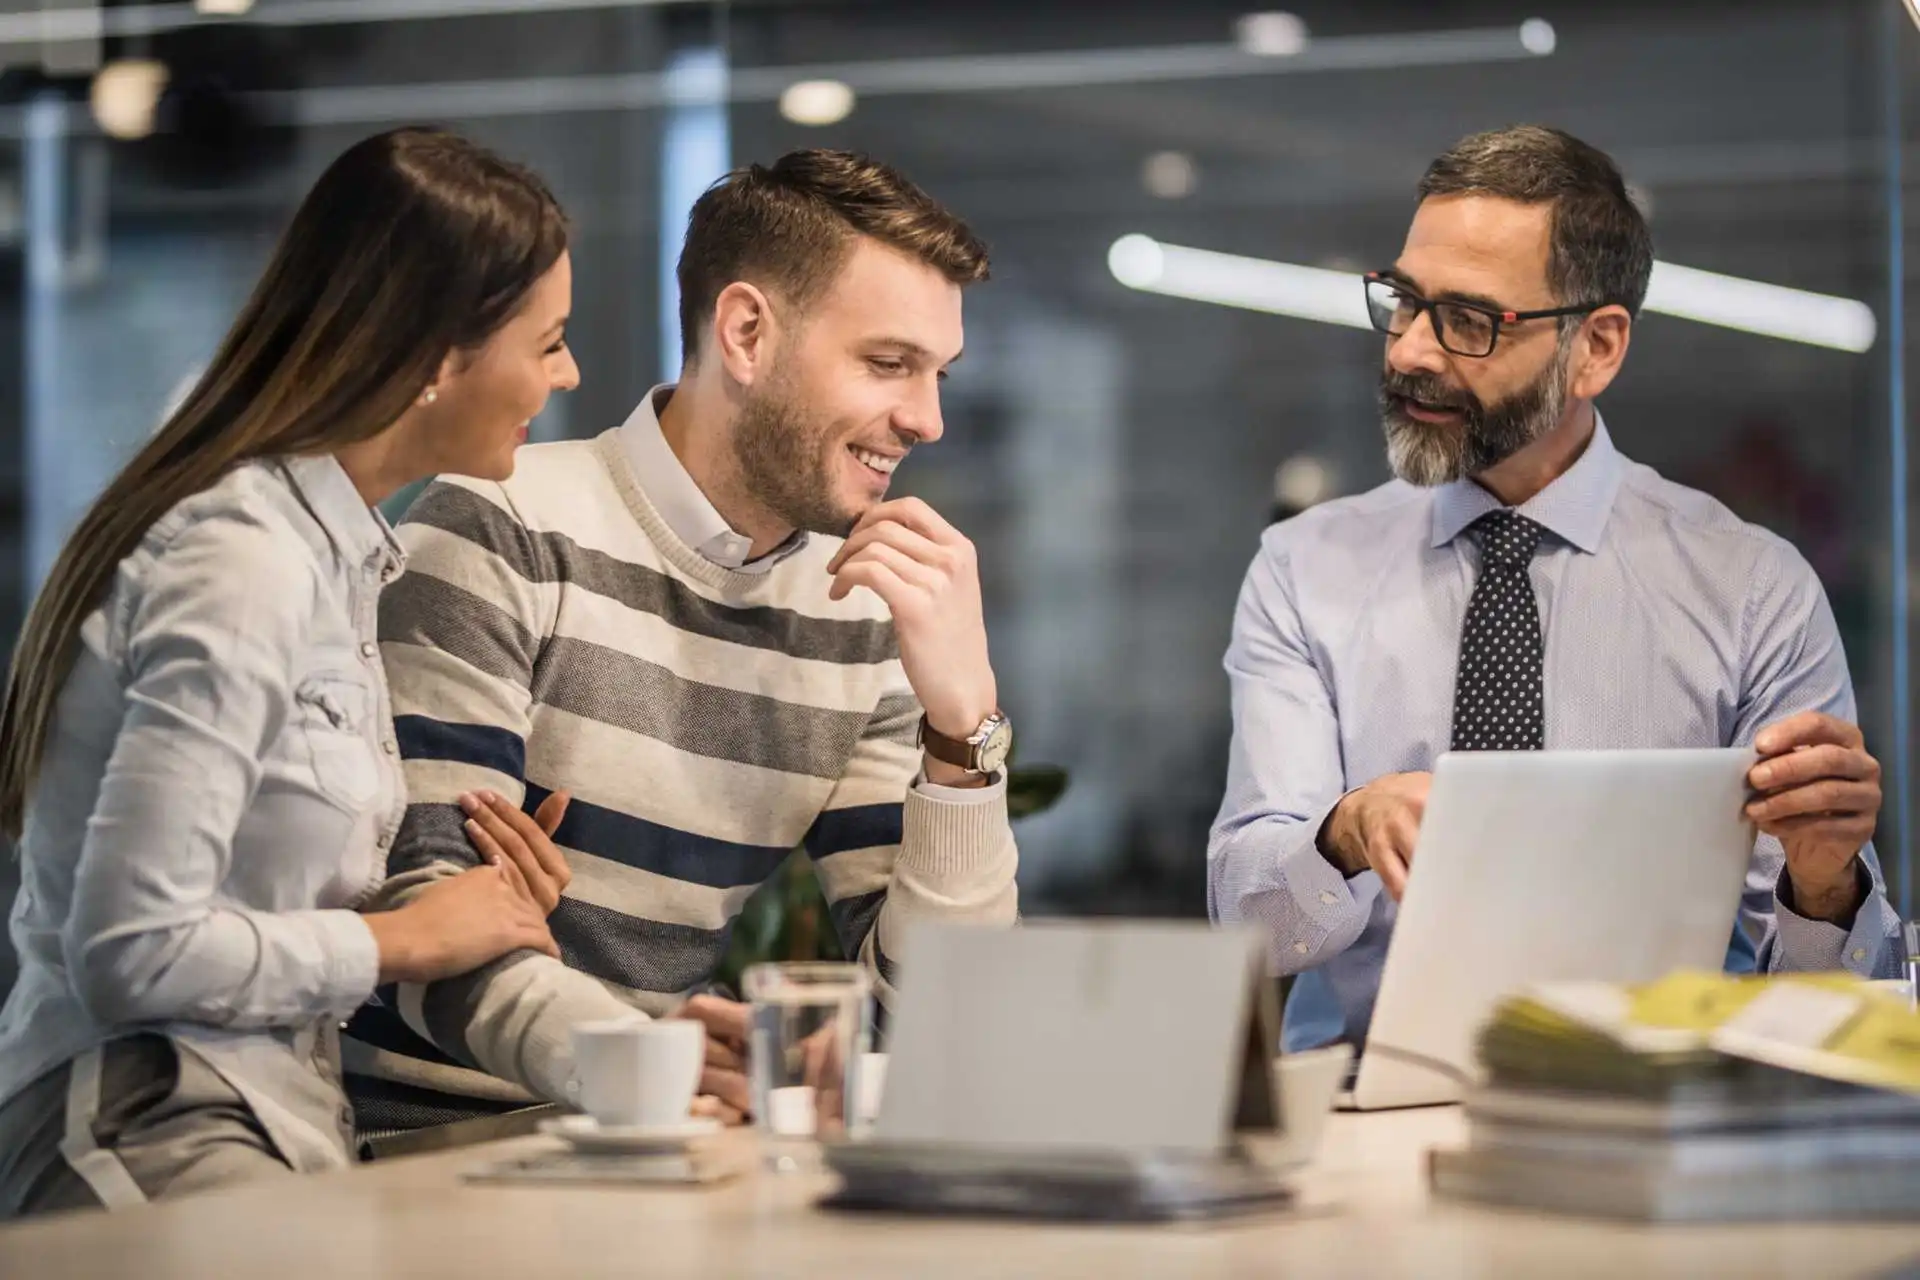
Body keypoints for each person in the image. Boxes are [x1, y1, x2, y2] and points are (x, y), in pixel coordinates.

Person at [342, 149, 1019, 1137]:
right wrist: (643, 1067)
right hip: (434, 1162)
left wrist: (967, 726)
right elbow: (427, 919)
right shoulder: (502, 524)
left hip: (663, 1153)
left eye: (938, 373)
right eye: (888, 364)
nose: (927, 418)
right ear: (745, 331)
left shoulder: (862, 615)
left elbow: (940, 1017)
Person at [1208, 125, 1904, 1053]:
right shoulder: (1304, 571)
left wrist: (1824, 884)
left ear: (1597, 348)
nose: (1411, 350)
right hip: (1358, 1119)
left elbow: (1823, 1009)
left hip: (1654, 1109)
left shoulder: (1751, 590)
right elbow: (1246, 926)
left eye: (1468, 320)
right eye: (1404, 302)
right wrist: (1342, 830)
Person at [0, 126, 582, 1214]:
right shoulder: (244, 559)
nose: (568, 372)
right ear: (439, 357)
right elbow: (130, 952)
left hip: (266, 1123)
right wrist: (403, 938)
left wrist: (473, 904)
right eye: (548, 342)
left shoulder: (335, 549)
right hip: (142, 1117)